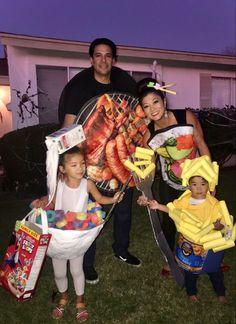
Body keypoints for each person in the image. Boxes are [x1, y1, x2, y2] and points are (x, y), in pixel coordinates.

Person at [58, 38, 141, 284]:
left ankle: (121, 249)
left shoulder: (123, 83)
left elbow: (134, 117)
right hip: (89, 164)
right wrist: (66, 164)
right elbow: (67, 127)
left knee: (123, 210)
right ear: (91, 58)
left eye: (108, 56)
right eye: (98, 55)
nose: (103, 60)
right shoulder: (79, 89)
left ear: (114, 59)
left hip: (119, 159)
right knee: (91, 214)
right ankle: (87, 263)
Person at [32, 147, 124, 321]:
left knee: (76, 269)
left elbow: (100, 199)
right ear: (62, 169)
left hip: (77, 236)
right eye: (74, 165)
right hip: (59, 235)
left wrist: (113, 199)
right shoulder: (58, 184)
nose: (80, 168)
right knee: (59, 272)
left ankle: (80, 301)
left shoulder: (87, 184)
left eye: (82, 163)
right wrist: (43, 201)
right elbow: (51, 202)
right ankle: (64, 296)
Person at [137, 78, 211, 276]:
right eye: (146, 106)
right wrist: (143, 188)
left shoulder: (185, 116)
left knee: (199, 218)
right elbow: (149, 166)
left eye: (155, 102)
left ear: (164, 101)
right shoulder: (149, 135)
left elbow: (202, 144)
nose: (152, 109)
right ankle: (171, 259)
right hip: (170, 182)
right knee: (169, 219)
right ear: (143, 111)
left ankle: (203, 256)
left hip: (196, 181)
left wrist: (210, 179)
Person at [138, 174, 226, 303]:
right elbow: (172, 210)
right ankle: (191, 292)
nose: (199, 188)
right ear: (188, 186)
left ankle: (220, 292)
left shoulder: (214, 203)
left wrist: (219, 226)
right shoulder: (185, 200)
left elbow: (222, 223)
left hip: (208, 244)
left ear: (209, 186)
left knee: (214, 270)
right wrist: (158, 206)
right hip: (190, 242)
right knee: (190, 270)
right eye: (194, 184)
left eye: (203, 184)